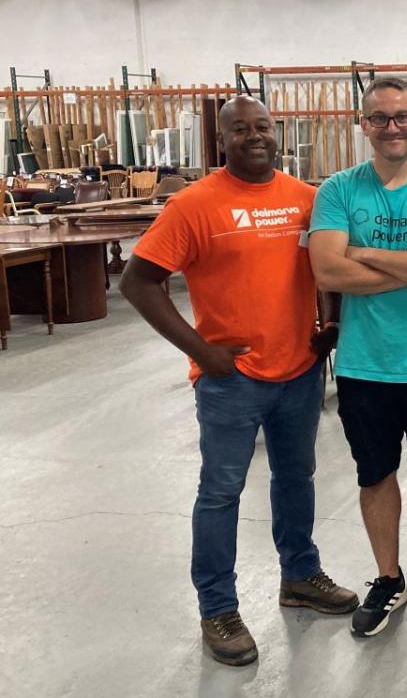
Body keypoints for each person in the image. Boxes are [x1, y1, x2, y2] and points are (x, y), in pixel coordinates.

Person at [120, 96, 358, 667]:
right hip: (233, 381)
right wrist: (201, 350)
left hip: (299, 371)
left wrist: (330, 322)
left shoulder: (306, 200)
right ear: (221, 139)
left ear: (275, 133)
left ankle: (299, 575)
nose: (255, 137)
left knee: (297, 477)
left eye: (263, 127)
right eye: (240, 129)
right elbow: (138, 281)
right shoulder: (193, 205)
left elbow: (326, 268)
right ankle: (218, 607)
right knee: (222, 493)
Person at [308, 77, 407, 640]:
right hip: (364, 365)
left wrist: (367, 253)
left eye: (403, 116)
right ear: (364, 125)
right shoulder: (337, 190)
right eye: (379, 118)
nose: (392, 127)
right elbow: (328, 271)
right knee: (375, 475)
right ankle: (388, 577)